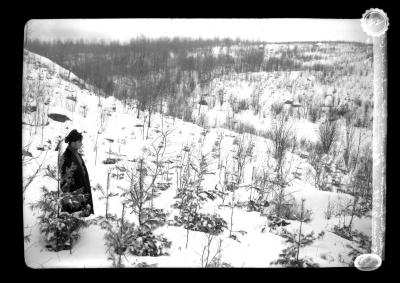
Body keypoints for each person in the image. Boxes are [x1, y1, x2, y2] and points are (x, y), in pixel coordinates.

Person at [59, 129, 94, 217]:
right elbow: (64, 182)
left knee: (80, 221)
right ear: (73, 142)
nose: (81, 144)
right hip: (74, 197)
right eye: (79, 141)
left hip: (81, 192)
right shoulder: (66, 157)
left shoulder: (76, 154)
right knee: (73, 219)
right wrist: (75, 196)